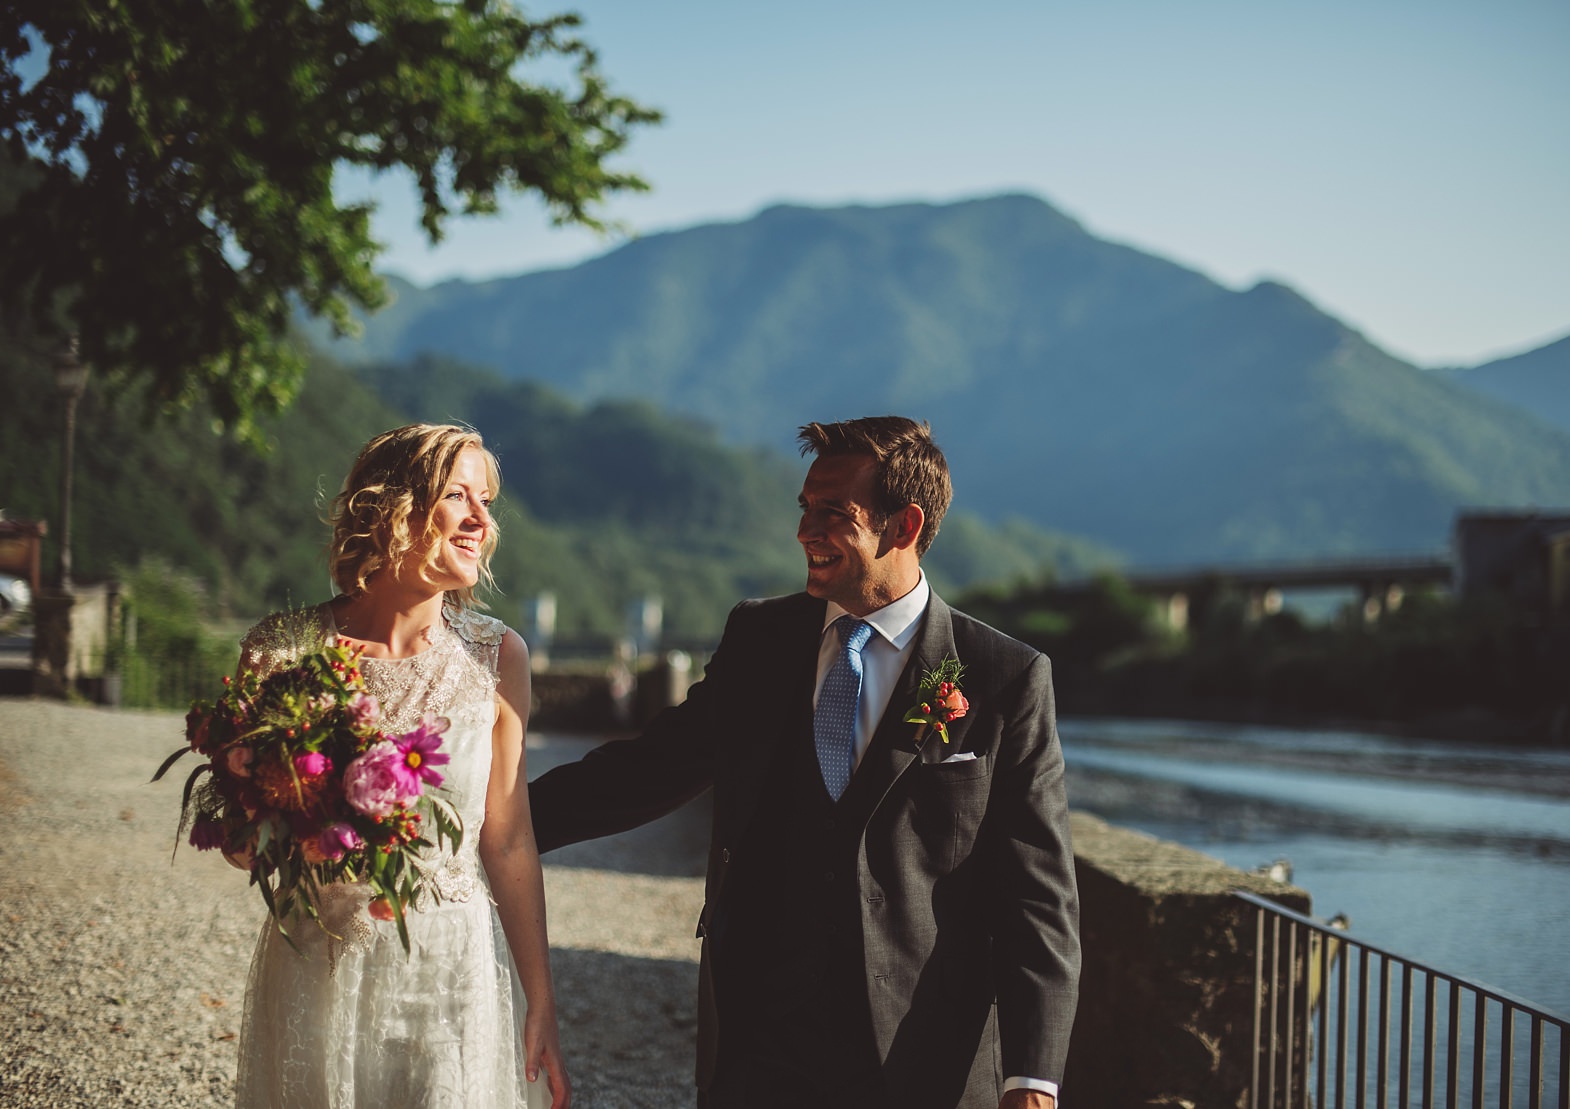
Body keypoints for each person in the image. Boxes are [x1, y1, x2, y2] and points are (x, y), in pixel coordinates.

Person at [528, 416, 1080, 1109]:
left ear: (904, 526)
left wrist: (1032, 1077)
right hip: (760, 1041)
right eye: (804, 509)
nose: (805, 532)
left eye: (832, 513)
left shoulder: (1004, 676)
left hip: (919, 1056)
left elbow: (1038, 895)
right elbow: (649, 768)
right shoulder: (760, 637)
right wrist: (498, 829)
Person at [233, 424, 569, 1109]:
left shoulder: (497, 658)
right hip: (316, 961)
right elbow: (244, 845)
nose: (482, 519)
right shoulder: (282, 654)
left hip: (448, 973)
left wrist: (541, 1003)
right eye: (458, 495)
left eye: (487, 500)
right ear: (393, 510)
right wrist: (287, 825)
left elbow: (506, 840)